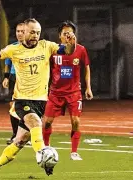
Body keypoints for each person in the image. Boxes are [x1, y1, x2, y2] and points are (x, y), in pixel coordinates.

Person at [0, 18, 76, 177]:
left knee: (20, 141)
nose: (35, 35)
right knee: (35, 123)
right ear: (25, 32)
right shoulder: (14, 49)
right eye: (32, 32)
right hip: (22, 100)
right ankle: (43, 155)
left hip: (41, 102)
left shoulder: (46, 46)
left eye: (38, 32)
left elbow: (68, 51)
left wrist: (72, 42)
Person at [42, 21, 93, 161]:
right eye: (65, 34)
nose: (68, 36)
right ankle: (46, 148)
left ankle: (74, 152)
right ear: (60, 36)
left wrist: (88, 87)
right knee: (46, 122)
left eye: (70, 33)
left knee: (76, 121)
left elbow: (87, 68)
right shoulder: (54, 50)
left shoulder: (81, 50)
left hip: (74, 92)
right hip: (55, 92)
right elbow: (46, 70)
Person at [2, 23, 25, 145]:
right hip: (13, 78)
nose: (20, 33)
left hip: (26, 79)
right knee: (13, 107)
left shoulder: (32, 48)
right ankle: (15, 134)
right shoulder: (11, 47)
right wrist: (6, 77)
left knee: (26, 106)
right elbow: (7, 63)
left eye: (22, 31)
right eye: (18, 31)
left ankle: (27, 134)